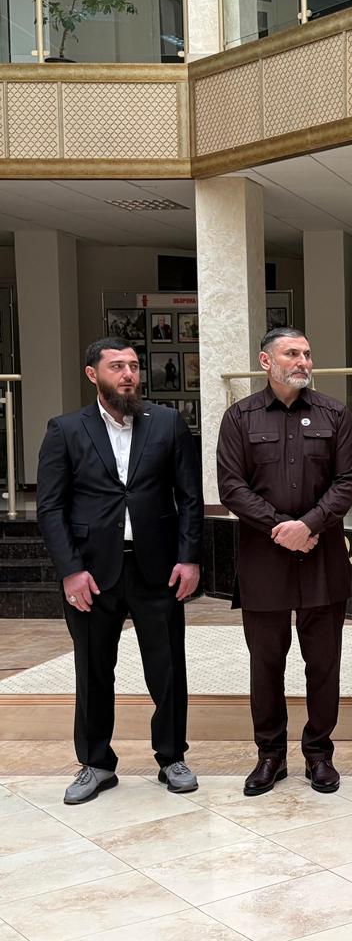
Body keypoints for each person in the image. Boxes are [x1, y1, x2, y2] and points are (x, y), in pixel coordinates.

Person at [37, 337, 203, 805]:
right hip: (92, 573)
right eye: (117, 366)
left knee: (167, 668)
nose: (129, 374)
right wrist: (70, 570)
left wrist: (189, 558)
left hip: (159, 568)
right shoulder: (66, 429)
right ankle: (96, 763)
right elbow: (51, 508)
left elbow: (190, 497)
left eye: (133, 365)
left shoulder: (167, 423)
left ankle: (172, 756)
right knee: (93, 669)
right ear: (93, 374)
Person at [216, 327, 352, 796]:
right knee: (266, 663)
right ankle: (270, 755)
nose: (303, 362)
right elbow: (231, 487)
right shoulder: (239, 418)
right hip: (264, 558)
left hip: (322, 558)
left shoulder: (335, 414)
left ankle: (319, 754)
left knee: (323, 663)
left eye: (307, 354)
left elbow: (348, 480)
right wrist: (282, 528)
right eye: (292, 354)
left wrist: (310, 526)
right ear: (266, 361)